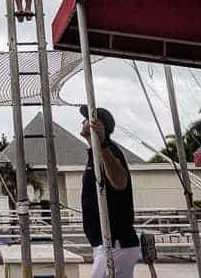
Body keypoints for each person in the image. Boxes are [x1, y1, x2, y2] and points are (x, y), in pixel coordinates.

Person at [79, 104, 140, 278]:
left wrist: (103, 143)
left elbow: (120, 182)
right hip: (109, 245)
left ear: (99, 125)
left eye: (87, 118)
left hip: (115, 244)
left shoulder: (109, 151)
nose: (83, 121)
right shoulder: (96, 152)